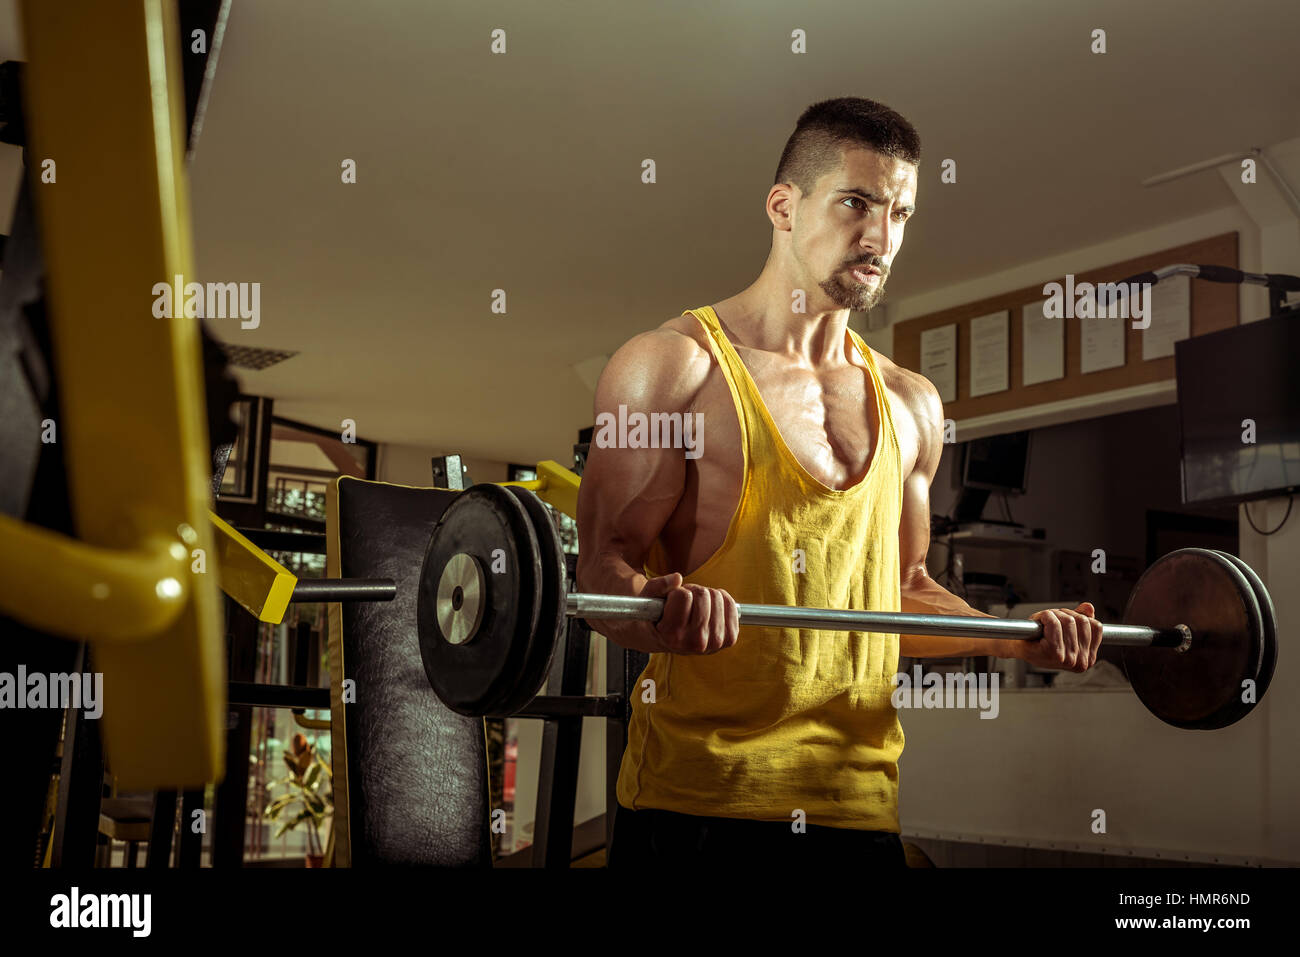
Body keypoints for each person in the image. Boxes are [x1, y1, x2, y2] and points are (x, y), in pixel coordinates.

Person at [576, 97, 1102, 868]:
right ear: (783, 206)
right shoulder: (672, 369)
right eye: (857, 202)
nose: (881, 236)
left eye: (900, 212)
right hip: (699, 806)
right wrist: (655, 613)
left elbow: (902, 589)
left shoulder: (911, 404)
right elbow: (600, 574)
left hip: (858, 808)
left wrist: (1020, 638)